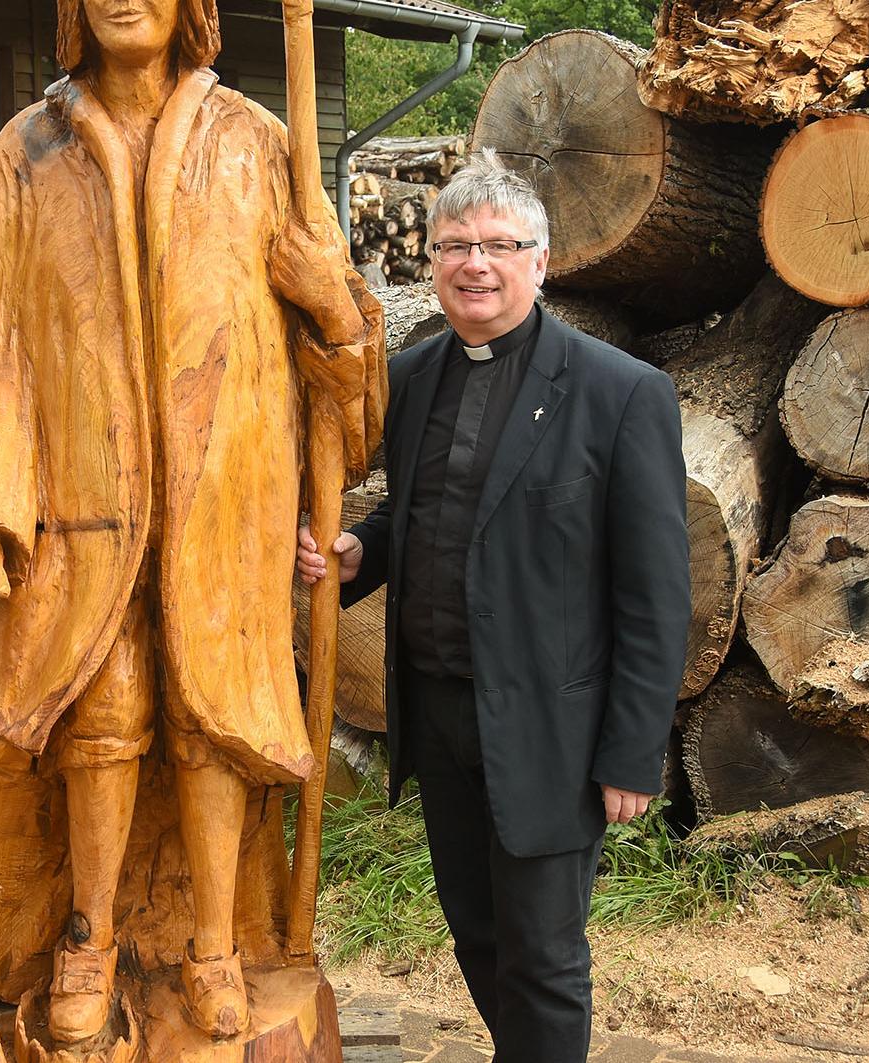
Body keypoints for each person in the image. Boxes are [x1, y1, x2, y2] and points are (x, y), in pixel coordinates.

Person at [0, 0, 382, 1045]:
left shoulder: (258, 146)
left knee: (206, 713)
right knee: (100, 709)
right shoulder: (25, 151)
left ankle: (215, 943)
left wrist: (330, 308)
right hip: (76, 497)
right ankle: (83, 936)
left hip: (226, 497)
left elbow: (346, 376)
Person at [296, 163, 690, 1063]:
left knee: (545, 955)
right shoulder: (413, 376)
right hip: (438, 715)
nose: (476, 264)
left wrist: (633, 749)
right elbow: (422, 514)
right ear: (432, 261)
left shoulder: (619, 392)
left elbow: (657, 589)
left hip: (550, 724)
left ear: (540, 261)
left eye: (498, 246)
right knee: (476, 931)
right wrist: (363, 551)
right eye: (456, 246)